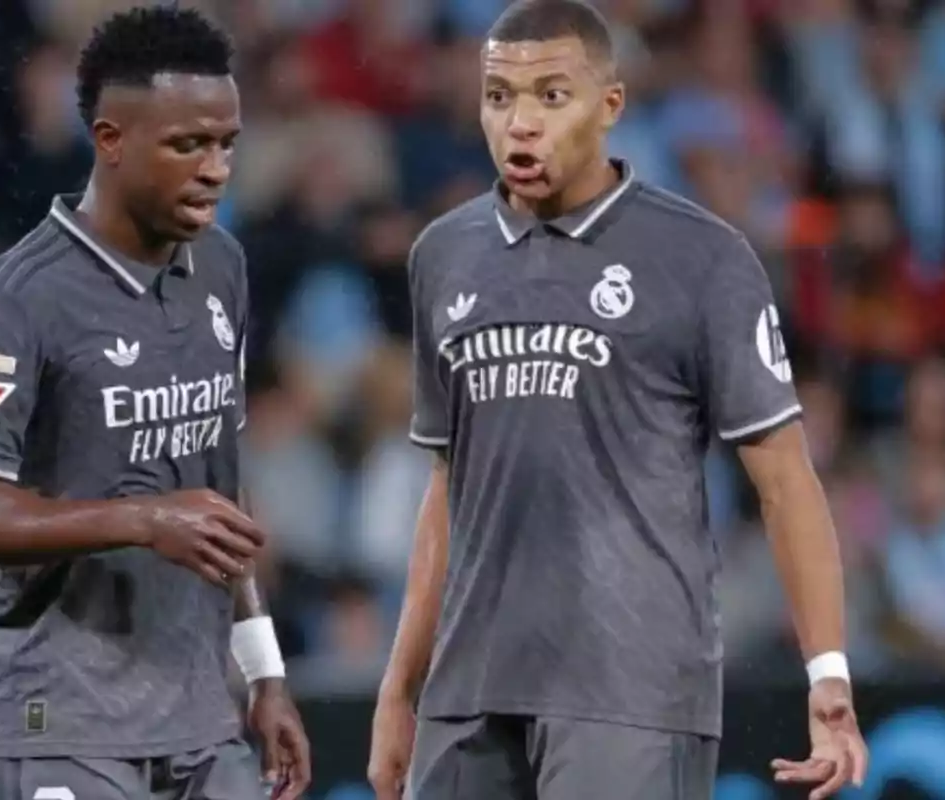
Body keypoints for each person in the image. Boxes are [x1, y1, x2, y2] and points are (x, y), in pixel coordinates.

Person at [367, 2, 869, 799]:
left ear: (610, 107)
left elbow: (784, 479)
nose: (520, 124)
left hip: (630, 690)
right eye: (500, 97)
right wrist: (399, 691)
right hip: (468, 691)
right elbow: (447, 486)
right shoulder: (444, 256)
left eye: (551, 96)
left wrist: (829, 675)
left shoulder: (703, 258)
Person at [0, 7, 310, 800]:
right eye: (186, 145)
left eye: (226, 143)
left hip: (197, 716)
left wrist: (262, 667)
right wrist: (141, 520)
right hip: (52, 721)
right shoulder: (18, 299)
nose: (215, 168)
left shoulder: (222, 268)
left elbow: (215, 494)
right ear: (110, 140)